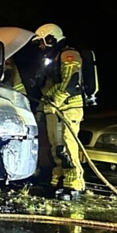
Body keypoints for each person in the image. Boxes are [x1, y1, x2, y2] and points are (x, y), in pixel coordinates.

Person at [32, 23, 85, 198]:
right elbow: (47, 87)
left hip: (68, 107)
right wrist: (42, 107)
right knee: (56, 147)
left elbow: (71, 82)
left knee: (67, 145)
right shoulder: (51, 58)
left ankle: (74, 184)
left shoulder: (69, 55)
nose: (40, 46)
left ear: (51, 38)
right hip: (53, 108)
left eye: (42, 42)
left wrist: (55, 101)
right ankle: (58, 180)